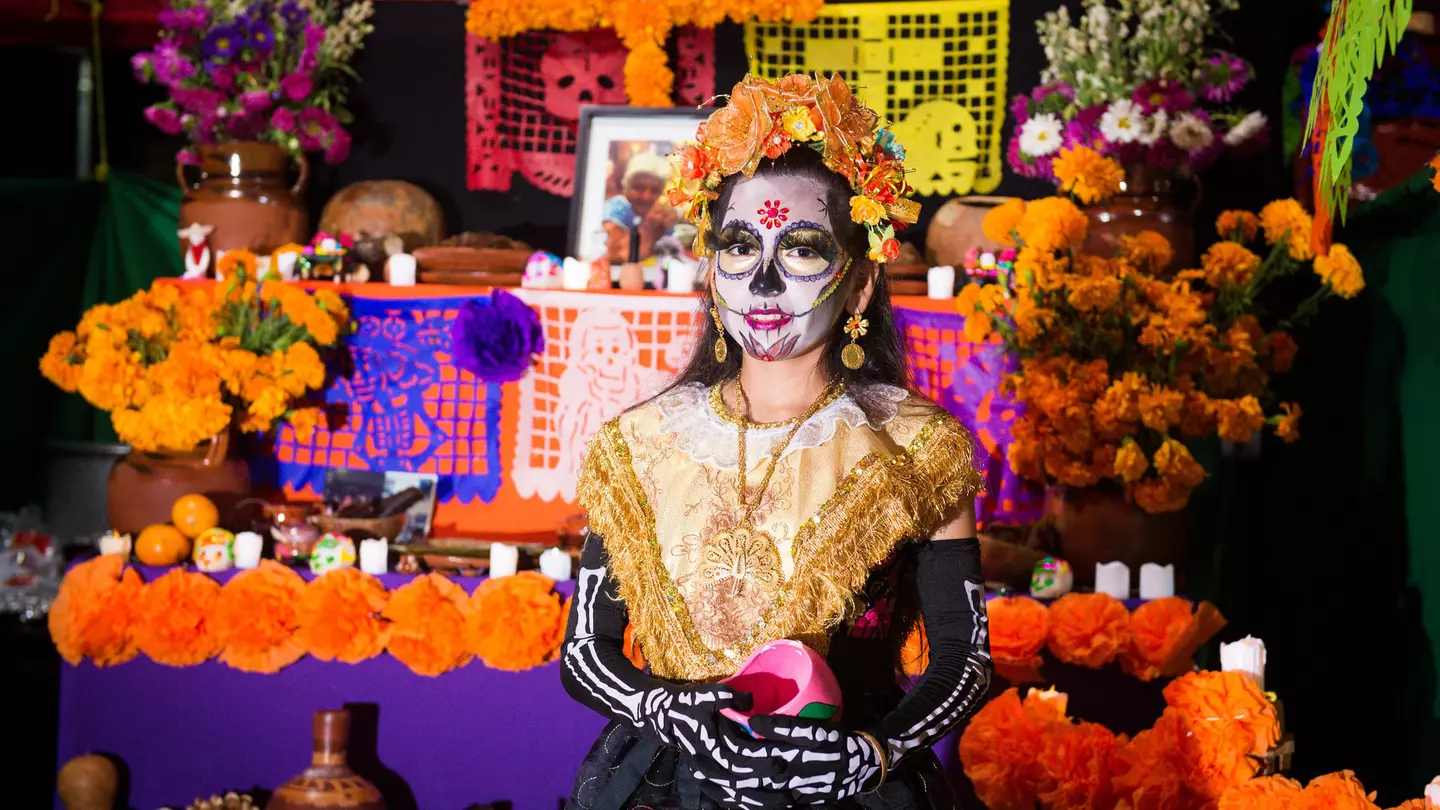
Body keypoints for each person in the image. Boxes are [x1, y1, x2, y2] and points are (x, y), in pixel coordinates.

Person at [561, 73, 991, 810]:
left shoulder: (918, 446)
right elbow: (583, 654)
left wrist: (873, 753)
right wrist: (661, 707)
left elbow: (965, 657)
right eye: (737, 245)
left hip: (846, 784)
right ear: (709, 267)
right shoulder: (640, 444)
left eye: (800, 250)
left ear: (858, 287)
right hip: (666, 781)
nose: (761, 282)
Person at [603, 150, 679, 263]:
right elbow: (617, 254)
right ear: (626, 186)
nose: (646, 197)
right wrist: (650, 227)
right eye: (639, 187)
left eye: (654, 190)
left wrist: (665, 226)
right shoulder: (616, 208)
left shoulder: (659, 213)